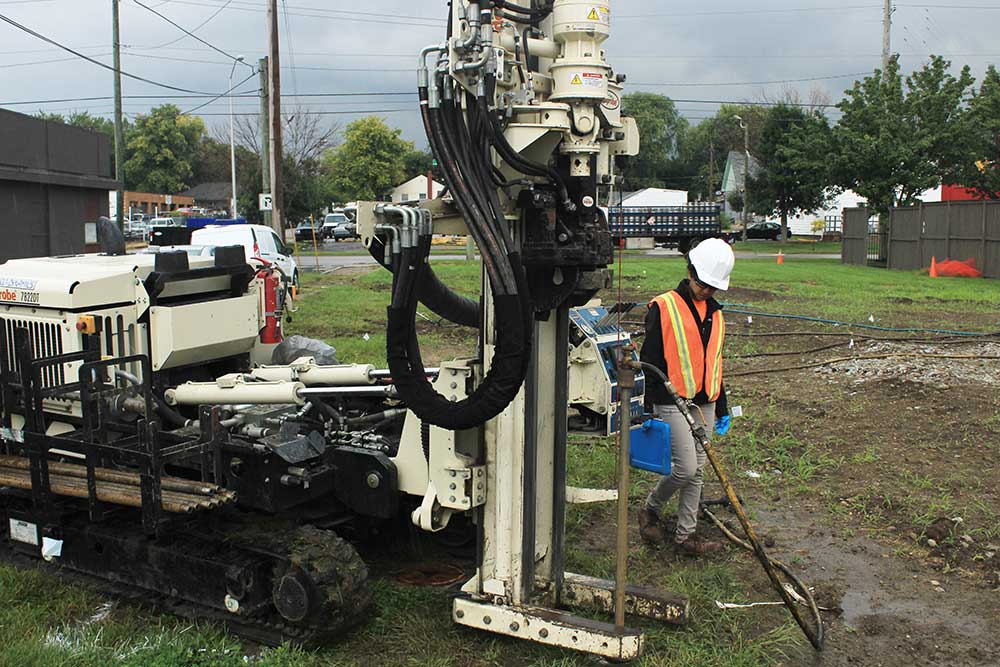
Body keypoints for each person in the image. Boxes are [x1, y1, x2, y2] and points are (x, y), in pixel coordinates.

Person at [637, 238, 735, 556]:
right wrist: (648, 405)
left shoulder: (715, 314)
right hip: (671, 401)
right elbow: (649, 359)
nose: (707, 291)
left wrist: (720, 406)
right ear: (690, 271)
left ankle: (686, 537)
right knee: (685, 468)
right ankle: (650, 509)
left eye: (712, 288)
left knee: (699, 470)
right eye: (703, 284)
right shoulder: (663, 306)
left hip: (703, 402)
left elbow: (714, 361)